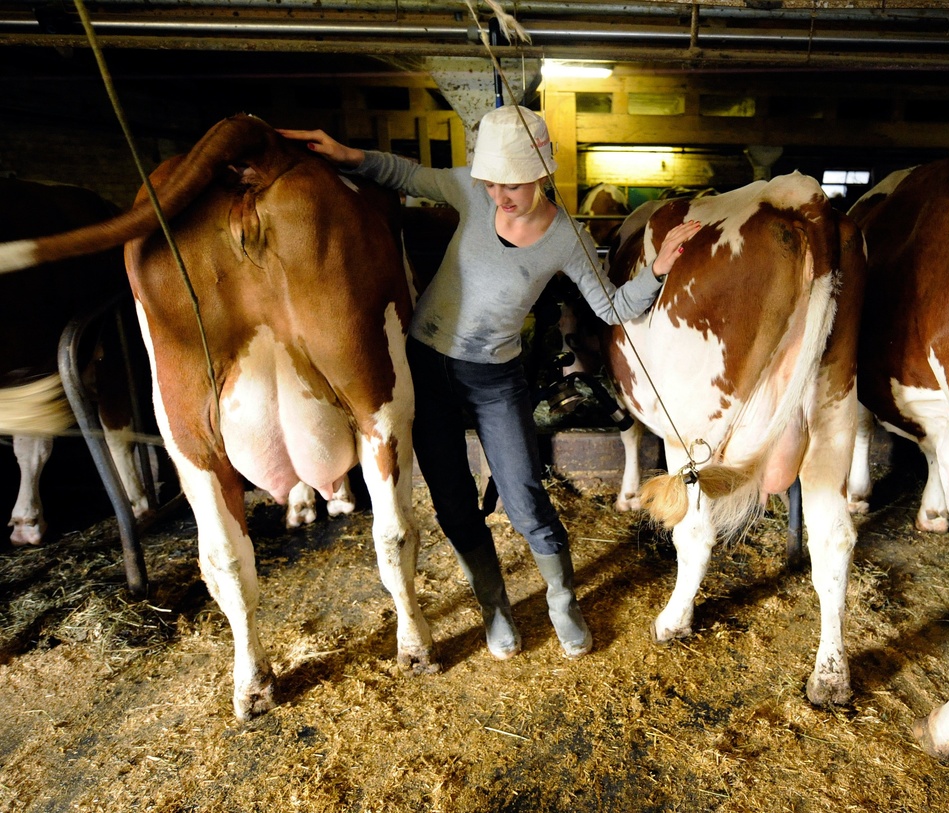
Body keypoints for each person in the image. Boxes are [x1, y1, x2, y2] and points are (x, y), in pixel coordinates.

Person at [279, 107, 701, 660]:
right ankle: (495, 608)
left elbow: (613, 306)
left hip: (496, 380)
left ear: (543, 175)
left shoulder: (565, 238)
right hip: (426, 369)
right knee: (453, 503)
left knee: (526, 500)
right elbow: (406, 175)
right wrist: (345, 154)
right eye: (494, 181)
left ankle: (561, 601)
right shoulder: (474, 196)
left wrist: (660, 267)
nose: (501, 194)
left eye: (515, 184)